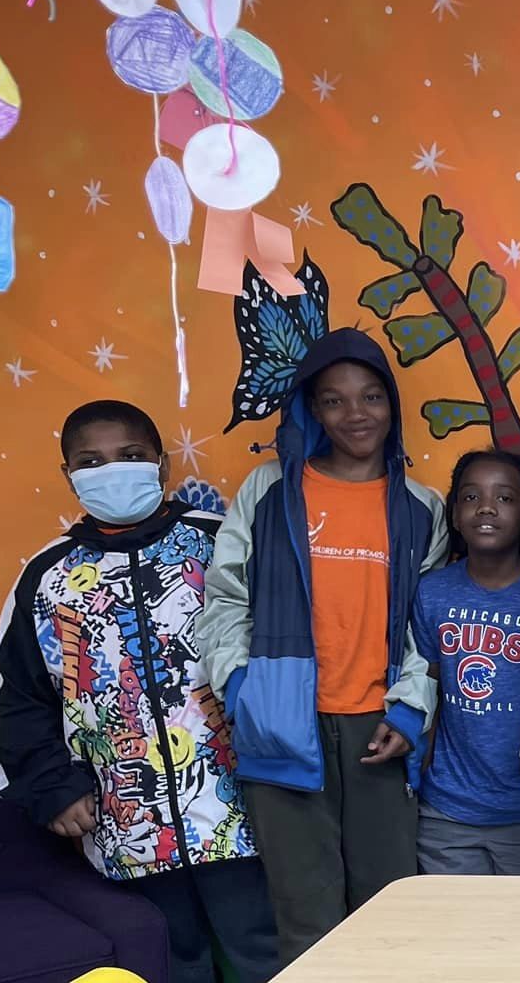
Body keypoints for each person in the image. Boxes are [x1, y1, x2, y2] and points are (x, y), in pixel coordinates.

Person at [0, 400, 279, 983]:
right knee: (171, 961)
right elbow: (18, 699)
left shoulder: (222, 543)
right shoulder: (47, 577)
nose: (112, 471)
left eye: (130, 455)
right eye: (91, 462)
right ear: (68, 474)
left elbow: (285, 647)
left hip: (244, 806)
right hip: (128, 823)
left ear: (162, 465)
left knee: (265, 952)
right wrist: (53, 788)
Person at [197, 328, 448, 964]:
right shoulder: (268, 491)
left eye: (371, 397)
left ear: (392, 405)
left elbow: (428, 627)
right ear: (312, 409)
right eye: (334, 400)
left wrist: (409, 710)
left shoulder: (422, 507)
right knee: (305, 918)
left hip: (378, 730)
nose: (355, 414)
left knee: (388, 916)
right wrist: (242, 689)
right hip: (280, 720)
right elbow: (225, 598)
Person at [410, 450, 520, 876]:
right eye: (470, 497)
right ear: (454, 514)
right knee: (454, 920)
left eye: (504, 498)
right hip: (447, 815)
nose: (486, 508)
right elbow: (427, 690)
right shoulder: (432, 592)